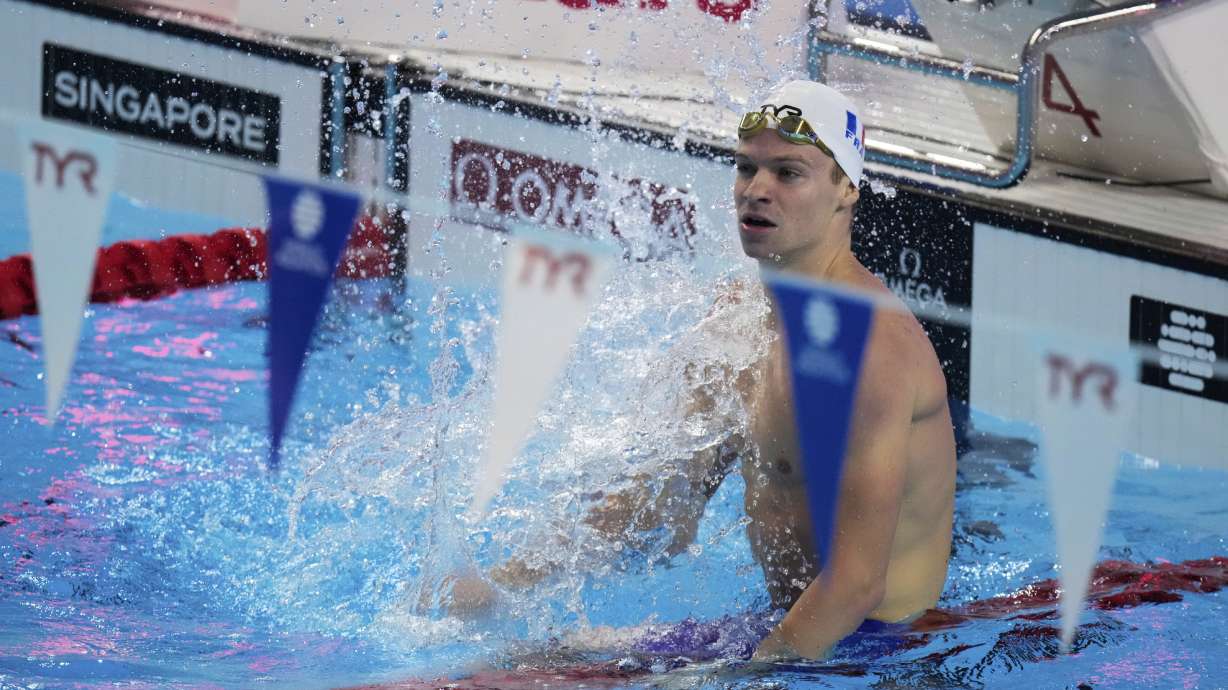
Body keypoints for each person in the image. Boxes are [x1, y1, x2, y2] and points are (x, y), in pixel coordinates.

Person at [447, 80, 956, 663]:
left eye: (789, 174)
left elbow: (856, 585)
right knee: (530, 662)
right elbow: (662, 508)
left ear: (845, 189)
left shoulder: (871, 350)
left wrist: (731, 679)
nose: (757, 191)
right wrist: (498, 582)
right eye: (747, 169)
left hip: (877, 656)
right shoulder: (740, 324)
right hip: (789, 632)